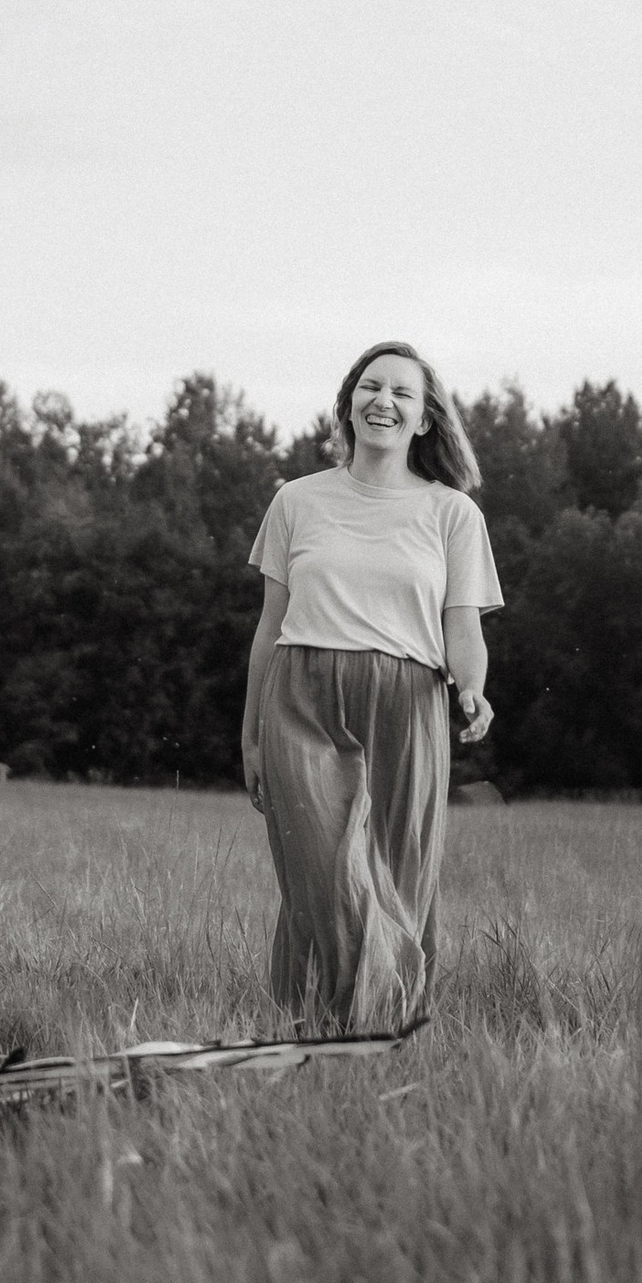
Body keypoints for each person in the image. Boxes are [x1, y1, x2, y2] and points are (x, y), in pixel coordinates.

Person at [240, 342, 502, 1032]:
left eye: (402, 394)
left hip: (407, 701)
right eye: (370, 386)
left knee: (396, 876)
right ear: (348, 402)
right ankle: (314, 1021)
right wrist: (250, 736)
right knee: (320, 874)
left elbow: (463, 625)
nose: (382, 400)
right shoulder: (295, 500)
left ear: (423, 421)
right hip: (299, 700)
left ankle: (377, 1029)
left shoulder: (453, 514)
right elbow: (270, 625)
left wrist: (470, 688)